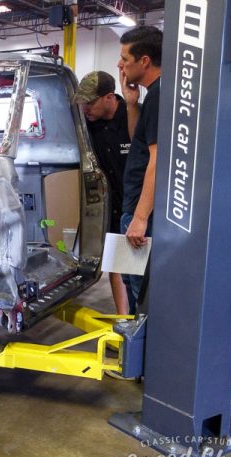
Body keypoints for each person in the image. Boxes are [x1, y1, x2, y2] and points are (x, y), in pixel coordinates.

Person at [74, 71, 131, 315]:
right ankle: (124, 320)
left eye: (90, 102)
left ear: (109, 97)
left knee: (141, 270)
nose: (85, 108)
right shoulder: (87, 126)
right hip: (111, 208)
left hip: (137, 207)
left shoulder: (133, 117)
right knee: (117, 264)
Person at [117, 25, 163, 313]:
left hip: (140, 213)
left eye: (125, 59)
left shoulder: (160, 95)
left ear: (144, 60)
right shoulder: (151, 96)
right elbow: (139, 141)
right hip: (133, 208)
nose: (120, 65)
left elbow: (157, 160)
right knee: (132, 285)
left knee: (139, 293)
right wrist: (132, 105)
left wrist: (140, 218)